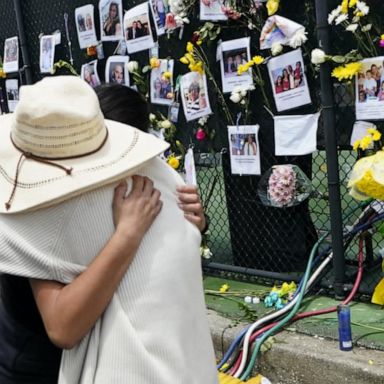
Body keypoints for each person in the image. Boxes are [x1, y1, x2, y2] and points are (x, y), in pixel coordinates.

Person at [0, 77, 216, 383]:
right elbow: (63, 327)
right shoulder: (38, 199)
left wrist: (189, 222)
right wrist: (128, 234)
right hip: (34, 365)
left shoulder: (138, 192)